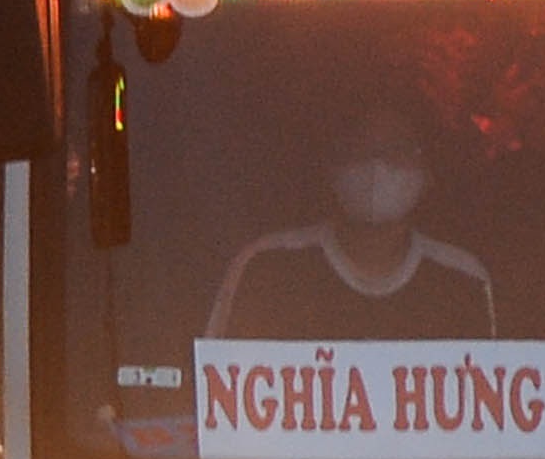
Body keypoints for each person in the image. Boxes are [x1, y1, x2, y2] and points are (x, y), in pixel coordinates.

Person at [207, 95, 498, 343]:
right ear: (332, 165)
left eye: (397, 150)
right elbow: (217, 389)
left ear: (428, 171)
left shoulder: (462, 279)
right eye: (361, 149)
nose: (377, 165)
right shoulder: (268, 266)